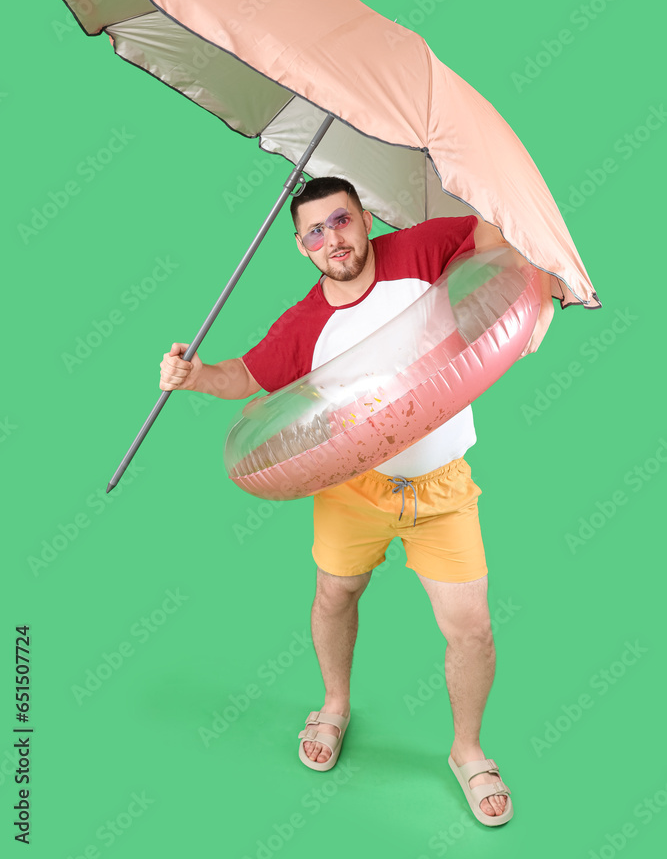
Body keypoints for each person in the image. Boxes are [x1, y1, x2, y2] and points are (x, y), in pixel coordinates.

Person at [159, 177, 554, 826]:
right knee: (334, 594)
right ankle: (335, 705)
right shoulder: (304, 322)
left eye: (339, 221)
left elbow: (491, 238)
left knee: (471, 627)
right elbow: (246, 377)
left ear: (363, 218)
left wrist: (527, 289)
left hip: (442, 486)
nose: (330, 239)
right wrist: (195, 374)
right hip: (354, 489)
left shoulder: (420, 252)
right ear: (300, 247)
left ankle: (467, 750)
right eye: (313, 232)